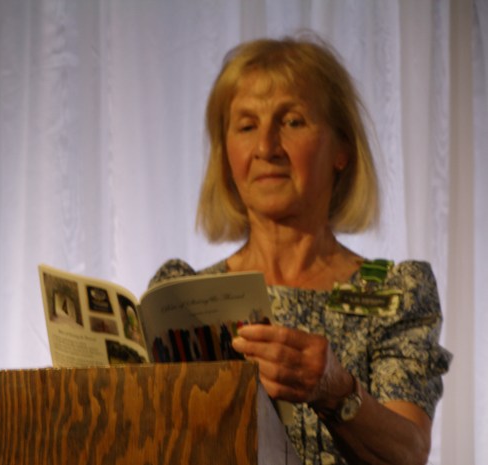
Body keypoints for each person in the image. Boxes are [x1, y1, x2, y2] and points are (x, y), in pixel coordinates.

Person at [149, 34, 452, 464]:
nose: (266, 148)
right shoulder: (181, 297)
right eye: (246, 126)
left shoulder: (395, 290)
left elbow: (408, 451)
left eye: (292, 122)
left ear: (342, 149)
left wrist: (335, 390)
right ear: (226, 156)